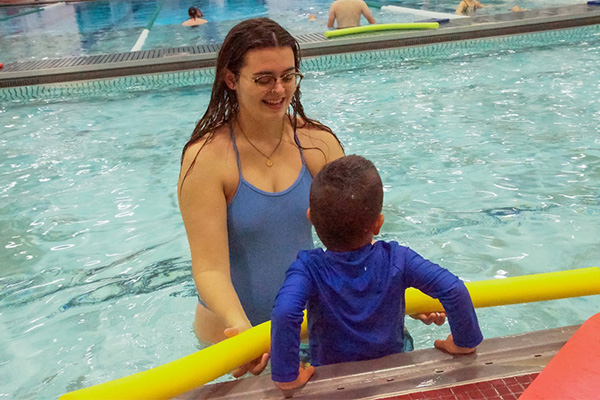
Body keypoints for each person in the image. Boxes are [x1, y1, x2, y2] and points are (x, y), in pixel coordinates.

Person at [177, 18, 345, 377]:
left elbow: (354, 238)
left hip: (303, 331)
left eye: (288, 76)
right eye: (264, 78)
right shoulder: (207, 159)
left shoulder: (317, 144)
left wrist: (391, 290)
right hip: (228, 339)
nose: (279, 89)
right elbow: (209, 268)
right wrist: (244, 334)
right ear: (231, 79)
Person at [270, 155, 484, 392]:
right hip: (393, 365)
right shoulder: (398, 258)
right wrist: (464, 341)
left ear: (311, 218)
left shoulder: (308, 268)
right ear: (378, 223)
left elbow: (285, 312)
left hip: (332, 372)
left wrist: (286, 374)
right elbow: (453, 289)